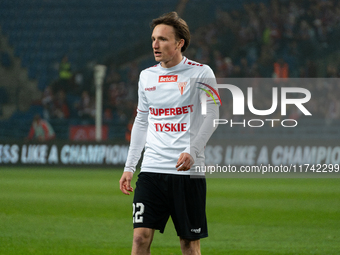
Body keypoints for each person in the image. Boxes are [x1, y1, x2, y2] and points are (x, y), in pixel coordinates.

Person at [119, 12, 220, 255]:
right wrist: (130, 166)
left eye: (163, 39)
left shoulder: (201, 73)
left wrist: (193, 151)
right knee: (140, 239)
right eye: (154, 38)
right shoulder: (146, 76)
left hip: (187, 171)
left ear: (179, 43)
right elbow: (141, 121)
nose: (155, 44)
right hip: (152, 170)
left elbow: (213, 115)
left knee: (188, 244)